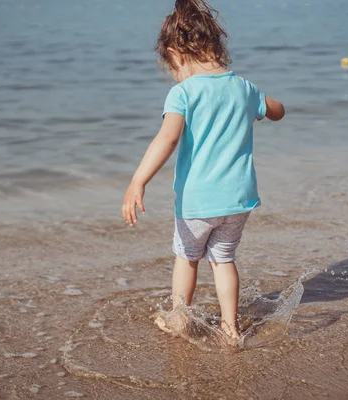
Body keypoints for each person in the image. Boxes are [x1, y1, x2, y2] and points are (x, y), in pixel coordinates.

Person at [121, 0, 285, 340]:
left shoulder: (182, 93)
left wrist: (138, 180)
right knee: (224, 261)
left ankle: (180, 320)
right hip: (239, 200)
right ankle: (230, 328)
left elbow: (167, 140)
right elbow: (278, 110)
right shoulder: (243, 87)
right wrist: (265, 102)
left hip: (198, 202)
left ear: (176, 55)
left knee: (187, 259)